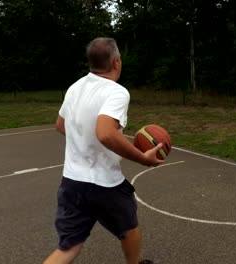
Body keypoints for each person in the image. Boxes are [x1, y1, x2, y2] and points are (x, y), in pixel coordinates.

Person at [43, 37, 164, 264]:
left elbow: (61, 125)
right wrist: (142, 158)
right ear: (116, 62)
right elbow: (106, 133)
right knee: (130, 229)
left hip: (72, 181)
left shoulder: (75, 87)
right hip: (104, 183)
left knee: (70, 246)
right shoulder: (117, 92)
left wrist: (85, 140)